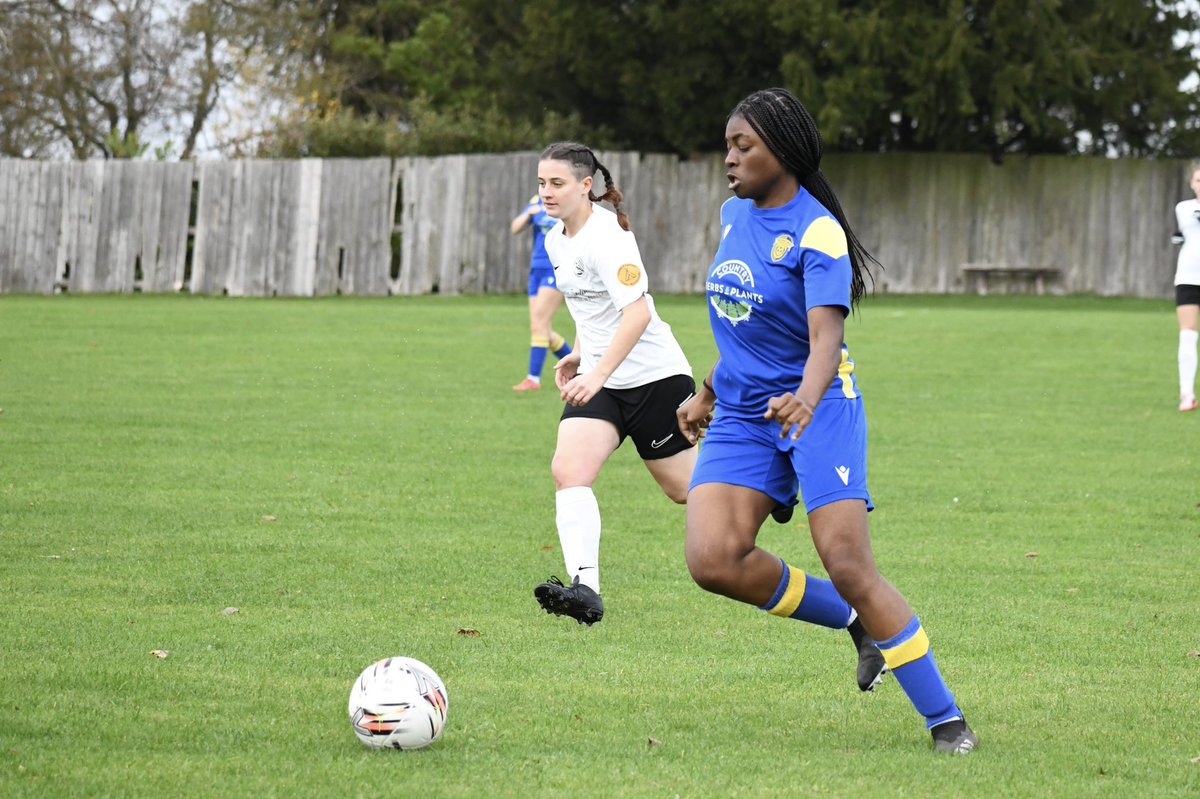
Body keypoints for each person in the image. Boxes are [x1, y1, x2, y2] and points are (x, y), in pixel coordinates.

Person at [676, 88, 978, 754]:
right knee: (713, 558)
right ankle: (853, 625)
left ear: (782, 151)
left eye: (742, 145)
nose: (729, 158)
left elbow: (823, 338)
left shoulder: (817, 231)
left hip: (821, 408)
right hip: (747, 414)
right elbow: (746, 331)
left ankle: (946, 719)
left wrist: (807, 401)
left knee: (848, 561)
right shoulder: (734, 217)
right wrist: (706, 393)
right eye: (728, 144)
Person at [532, 141, 698, 626]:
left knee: (687, 491)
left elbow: (638, 313)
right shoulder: (555, 239)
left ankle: (767, 482)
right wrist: (582, 355)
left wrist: (595, 374)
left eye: (557, 183)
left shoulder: (608, 237)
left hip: (654, 379)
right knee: (569, 469)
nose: (547, 192)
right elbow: (591, 307)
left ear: (586, 185)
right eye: (542, 182)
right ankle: (586, 589)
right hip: (603, 381)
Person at [511, 193, 574, 391]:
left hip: (555, 269)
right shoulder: (536, 201)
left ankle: (533, 379)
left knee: (540, 324)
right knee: (540, 328)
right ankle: (578, 367)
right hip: (536, 270)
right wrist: (530, 213)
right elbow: (515, 228)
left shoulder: (566, 202)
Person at [1171, 163, 1200, 412]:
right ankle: (1187, 394)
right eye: (1199, 181)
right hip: (1189, 277)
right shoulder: (1184, 208)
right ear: (1191, 183)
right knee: (1188, 334)